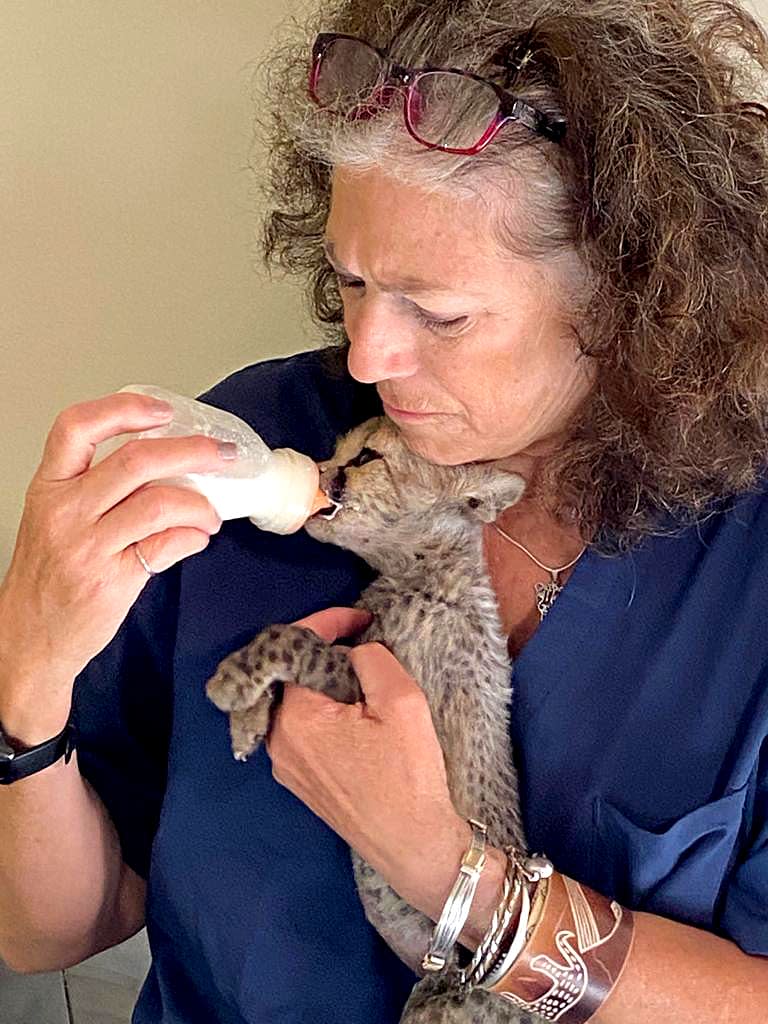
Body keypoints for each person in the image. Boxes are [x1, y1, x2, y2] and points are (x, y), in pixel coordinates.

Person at [1, 0, 768, 1020]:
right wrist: (28, 671)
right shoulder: (261, 435)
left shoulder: (744, 569)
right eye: (351, 280)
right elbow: (48, 932)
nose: (368, 355)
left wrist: (453, 875)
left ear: (626, 296)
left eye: (437, 312)